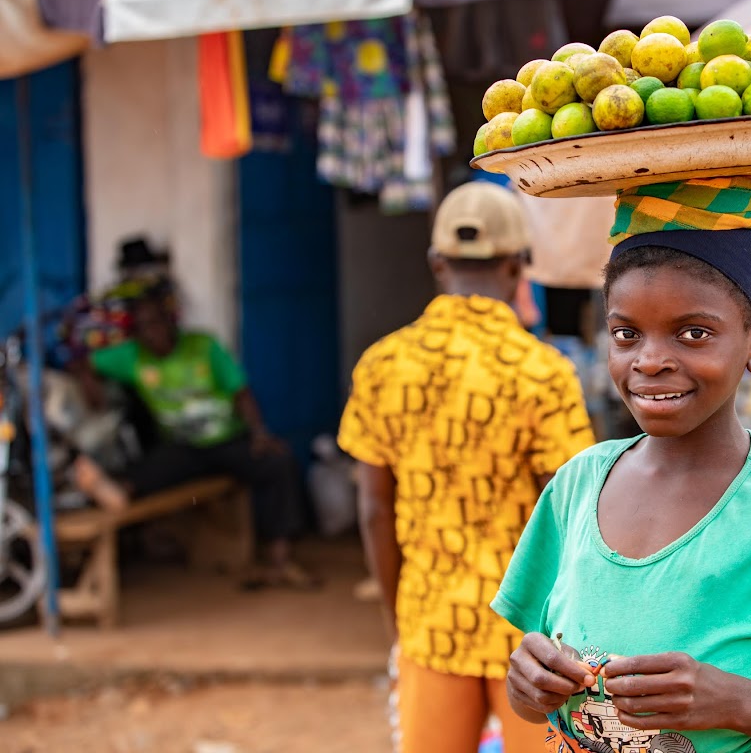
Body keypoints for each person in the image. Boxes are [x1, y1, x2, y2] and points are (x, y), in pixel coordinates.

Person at [493, 177, 751, 753]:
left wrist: (733, 701)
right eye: (626, 333)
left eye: (693, 333)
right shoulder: (577, 484)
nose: (651, 361)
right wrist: (527, 685)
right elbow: (530, 683)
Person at [337, 181, 596, 753]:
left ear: (436, 263)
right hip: (531, 634)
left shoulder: (383, 365)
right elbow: (573, 512)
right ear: (517, 267)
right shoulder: (543, 371)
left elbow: (375, 510)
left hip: (430, 620)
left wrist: (398, 620)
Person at [72, 281, 315, 588]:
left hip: (228, 439)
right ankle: (113, 492)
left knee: (278, 464)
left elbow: (241, 393)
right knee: (147, 470)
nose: (152, 333)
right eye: (143, 328)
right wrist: (91, 388)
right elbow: (82, 364)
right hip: (183, 447)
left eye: (157, 323)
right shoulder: (131, 356)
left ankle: (281, 560)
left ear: (171, 322)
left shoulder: (204, 346)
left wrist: (258, 432)